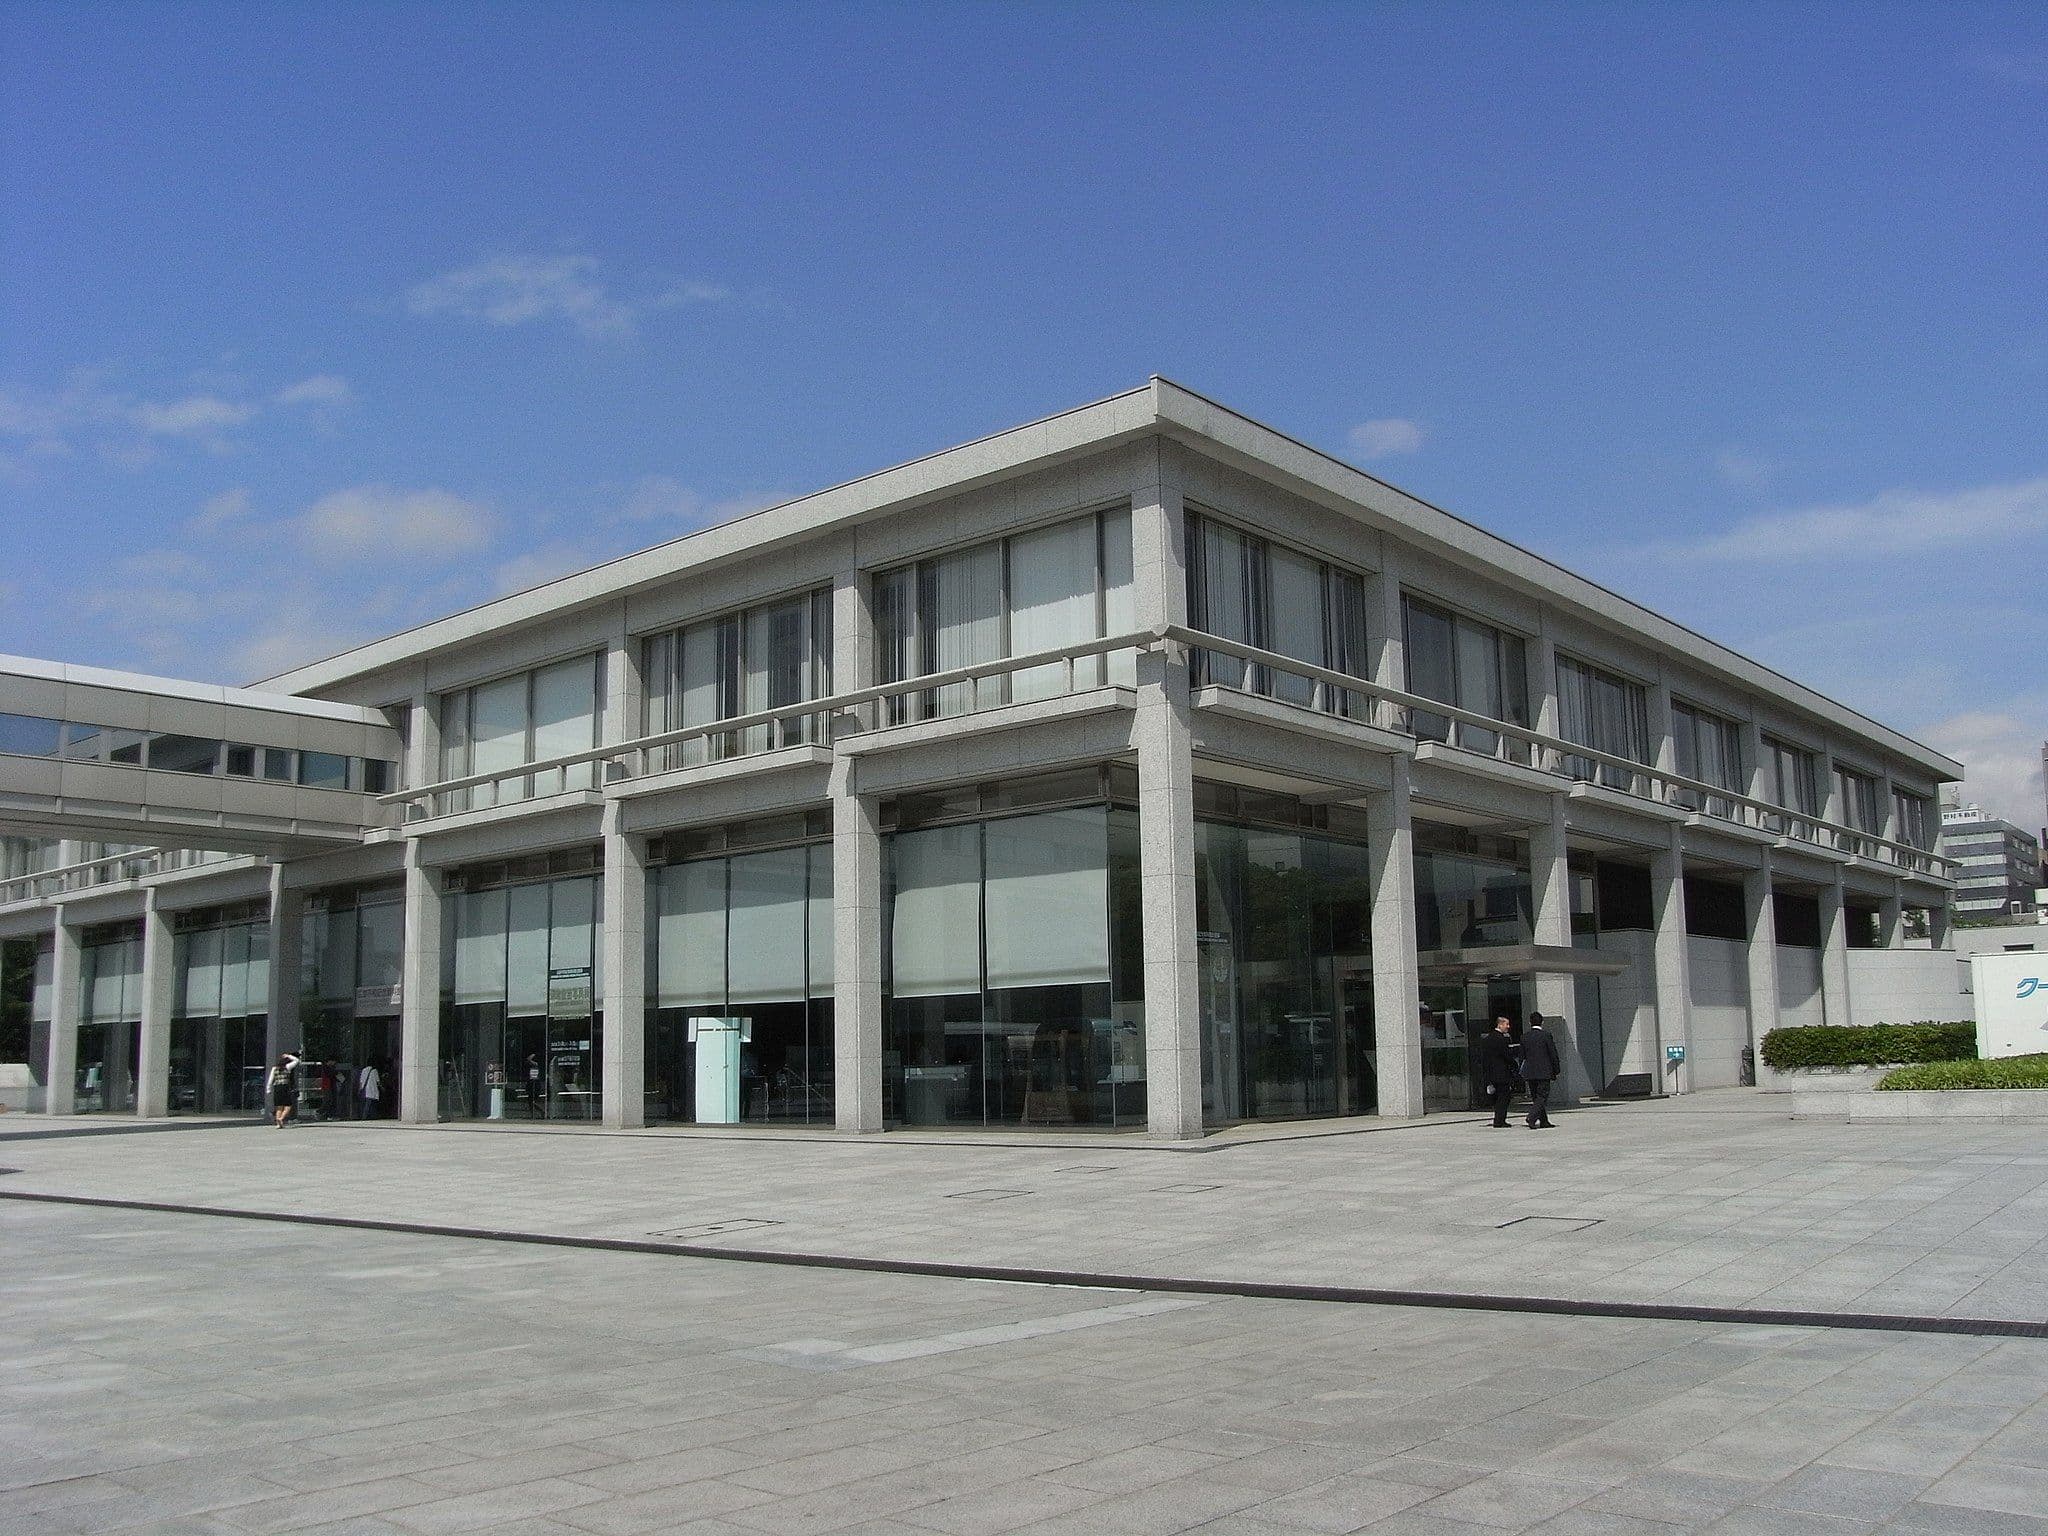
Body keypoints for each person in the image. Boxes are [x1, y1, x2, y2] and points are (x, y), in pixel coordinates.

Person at [1477, 1015, 1520, 1128]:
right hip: (1502, 1073)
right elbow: (1506, 1055)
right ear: (1500, 1024)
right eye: (1506, 1024)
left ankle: (1498, 1118)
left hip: (1491, 1073)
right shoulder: (1501, 1039)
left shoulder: (1488, 1039)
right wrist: (1514, 1064)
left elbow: (1485, 1058)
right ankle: (1500, 1120)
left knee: (1497, 1097)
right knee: (1504, 1097)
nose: (1508, 1027)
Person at [1521, 1012, 1561, 1129]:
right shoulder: (1546, 1035)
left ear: (1530, 1022)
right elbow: (1553, 1054)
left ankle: (1543, 1121)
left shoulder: (1524, 1037)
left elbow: (1522, 1056)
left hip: (1530, 1072)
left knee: (1536, 1097)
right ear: (1542, 1022)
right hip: (1544, 1072)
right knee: (1542, 1096)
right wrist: (1556, 1069)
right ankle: (1532, 1117)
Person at [267, 1052, 301, 1129]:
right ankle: (281, 1118)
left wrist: (268, 1089)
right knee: (288, 1105)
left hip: (277, 1087)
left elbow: (270, 1079)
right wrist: (289, 1056)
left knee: (279, 1107)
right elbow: (296, 1060)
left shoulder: (274, 1068)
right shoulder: (287, 1067)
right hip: (285, 1087)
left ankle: (278, 1124)